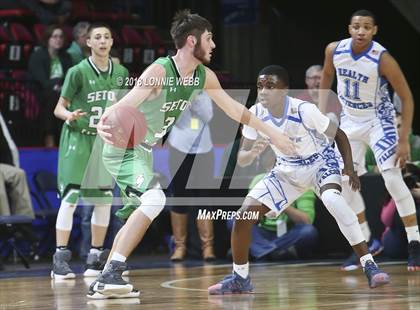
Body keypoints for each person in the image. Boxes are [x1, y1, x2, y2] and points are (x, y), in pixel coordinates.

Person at [88, 10, 294, 299]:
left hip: (143, 151)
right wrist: (103, 122)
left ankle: (105, 281)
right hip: (124, 148)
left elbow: (235, 110)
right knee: (155, 199)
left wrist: (273, 134)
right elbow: (125, 103)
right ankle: (112, 273)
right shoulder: (160, 71)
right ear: (191, 41)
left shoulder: (202, 76)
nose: (213, 45)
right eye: (209, 39)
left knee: (141, 208)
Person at [208, 65, 390, 295]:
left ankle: (369, 266)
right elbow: (242, 159)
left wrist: (349, 169)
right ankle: (240, 278)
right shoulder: (255, 113)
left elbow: (339, 135)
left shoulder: (304, 109)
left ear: (284, 90)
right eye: (260, 86)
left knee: (334, 201)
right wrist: (253, 152)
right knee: (243, 217)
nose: (263, 91)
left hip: (320, 163)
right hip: (287, 170)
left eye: (270, 86)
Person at [319, 9, 420, 271]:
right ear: (349, 28)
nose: (361, 31)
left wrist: (404, 138)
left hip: (379, 121)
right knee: (344, 181)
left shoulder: (382, 58)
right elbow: (326, 76)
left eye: (366, 27)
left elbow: (407, 97)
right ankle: (368, 239)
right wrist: (321, 112)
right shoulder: (334, 50)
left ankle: (415, 242)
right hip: (350, 122)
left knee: (392, 177)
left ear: (374, 30)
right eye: (356, 26)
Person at [52, 23, 129, 280]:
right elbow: (58, 108)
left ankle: (95, 257)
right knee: (71, 199)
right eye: (98, 37)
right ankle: (60, 259)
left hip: (103, 142)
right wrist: (69, 115)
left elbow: (125, 107)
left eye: (107, 36)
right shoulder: (77, 72)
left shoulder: (121, 72)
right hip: (77, 139)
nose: (103, 40)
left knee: (103, 200)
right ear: (89, 42)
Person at [227, 146, 318, 260]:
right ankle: (273, 252)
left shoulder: (302, 184)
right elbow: (249, 217)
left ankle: (258, 250)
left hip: (288, 232)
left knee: (308, 232)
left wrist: (281, 203)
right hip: (263, 232)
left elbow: (307, 220)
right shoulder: (259, 180)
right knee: (235, 219)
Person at [167, 90, 216, 262]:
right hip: (179, 147)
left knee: (204, 197)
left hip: (204, 148)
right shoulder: (174, 93)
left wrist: (195, 100)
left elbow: (208, 116)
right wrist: (183, 100)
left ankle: (207, 247)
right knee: (180, 195)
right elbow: (171, 118)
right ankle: (180, 247)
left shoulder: (203, 94)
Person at [28, 25, 73, 147]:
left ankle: (67, 138)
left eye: (61, 37)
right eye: (54, 36)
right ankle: (50, 138)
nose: (58, 39)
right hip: (40, 93)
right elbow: (42, 81)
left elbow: (71, 78)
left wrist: (61, 85)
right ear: (47, 39)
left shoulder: (66, 57)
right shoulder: (38, 56)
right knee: (53, 98)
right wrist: (58, 83)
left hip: (62, 92)